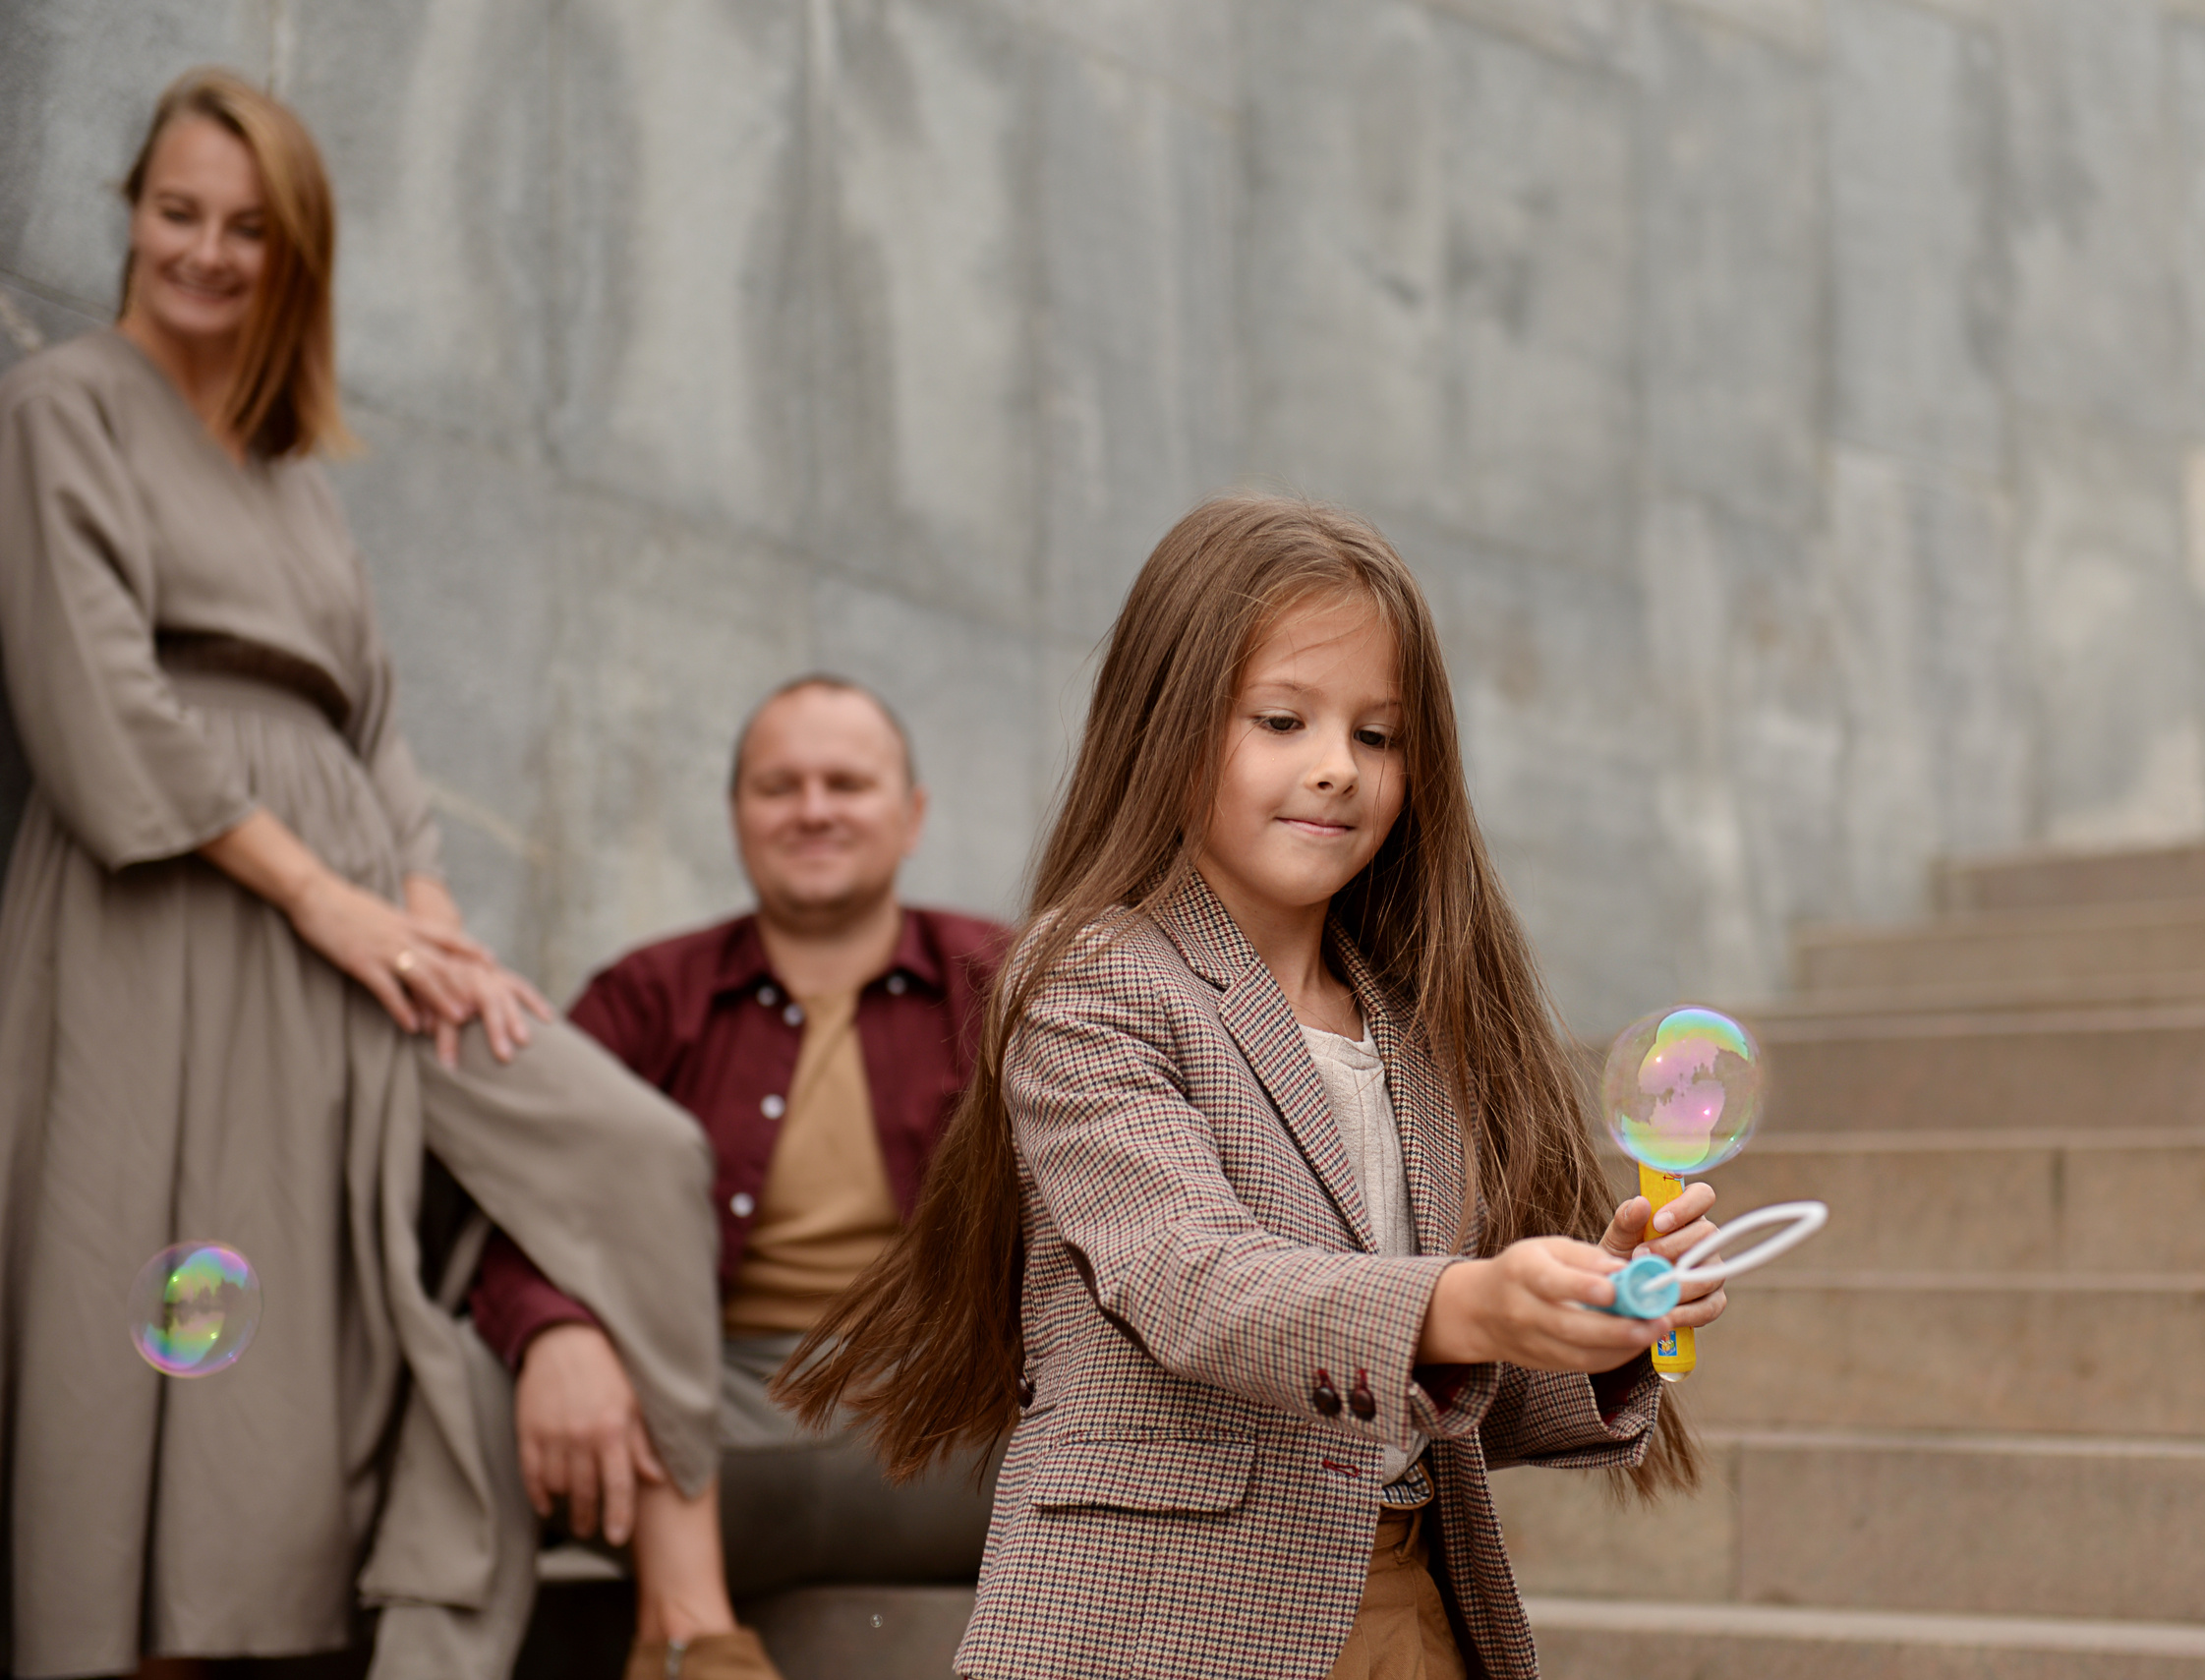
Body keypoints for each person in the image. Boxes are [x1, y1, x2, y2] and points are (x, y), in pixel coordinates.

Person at [0, 69, 774, 1680]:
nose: (205, 252)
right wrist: (324, 897)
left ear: (297, 255)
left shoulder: (296, 480)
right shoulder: (61, 406)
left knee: (625, 1142)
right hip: (175, 911)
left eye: (248, 227)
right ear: (130, 212)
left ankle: (684, 1618)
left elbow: (380, 723)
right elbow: (97, 694)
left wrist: (418, 901)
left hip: (358, 914)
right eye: (176, 212)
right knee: (181, 1362)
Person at [779, 494, 1731, 1680]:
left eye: (1378, 736)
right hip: (1148, 1628)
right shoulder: (1091, 978)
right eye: (1282, 718)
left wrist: (1591, 1327)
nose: (1336, 768)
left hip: (1411, 1608)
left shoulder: (1422, 1025)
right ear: (1164, 726)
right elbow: (1194, 1277)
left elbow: (1448, 1397)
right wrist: (1471, 1299)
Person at [466, 676, 1006, 1600]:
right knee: (467, 1382)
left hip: (948, 1421)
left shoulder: (1007, 983)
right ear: (736, 815)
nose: (813, 810)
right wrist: (556, 1331)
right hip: (696, 1412)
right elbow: (513, 1201)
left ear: (911, 816)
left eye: (847, 784)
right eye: (778, 786)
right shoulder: (645, 997)